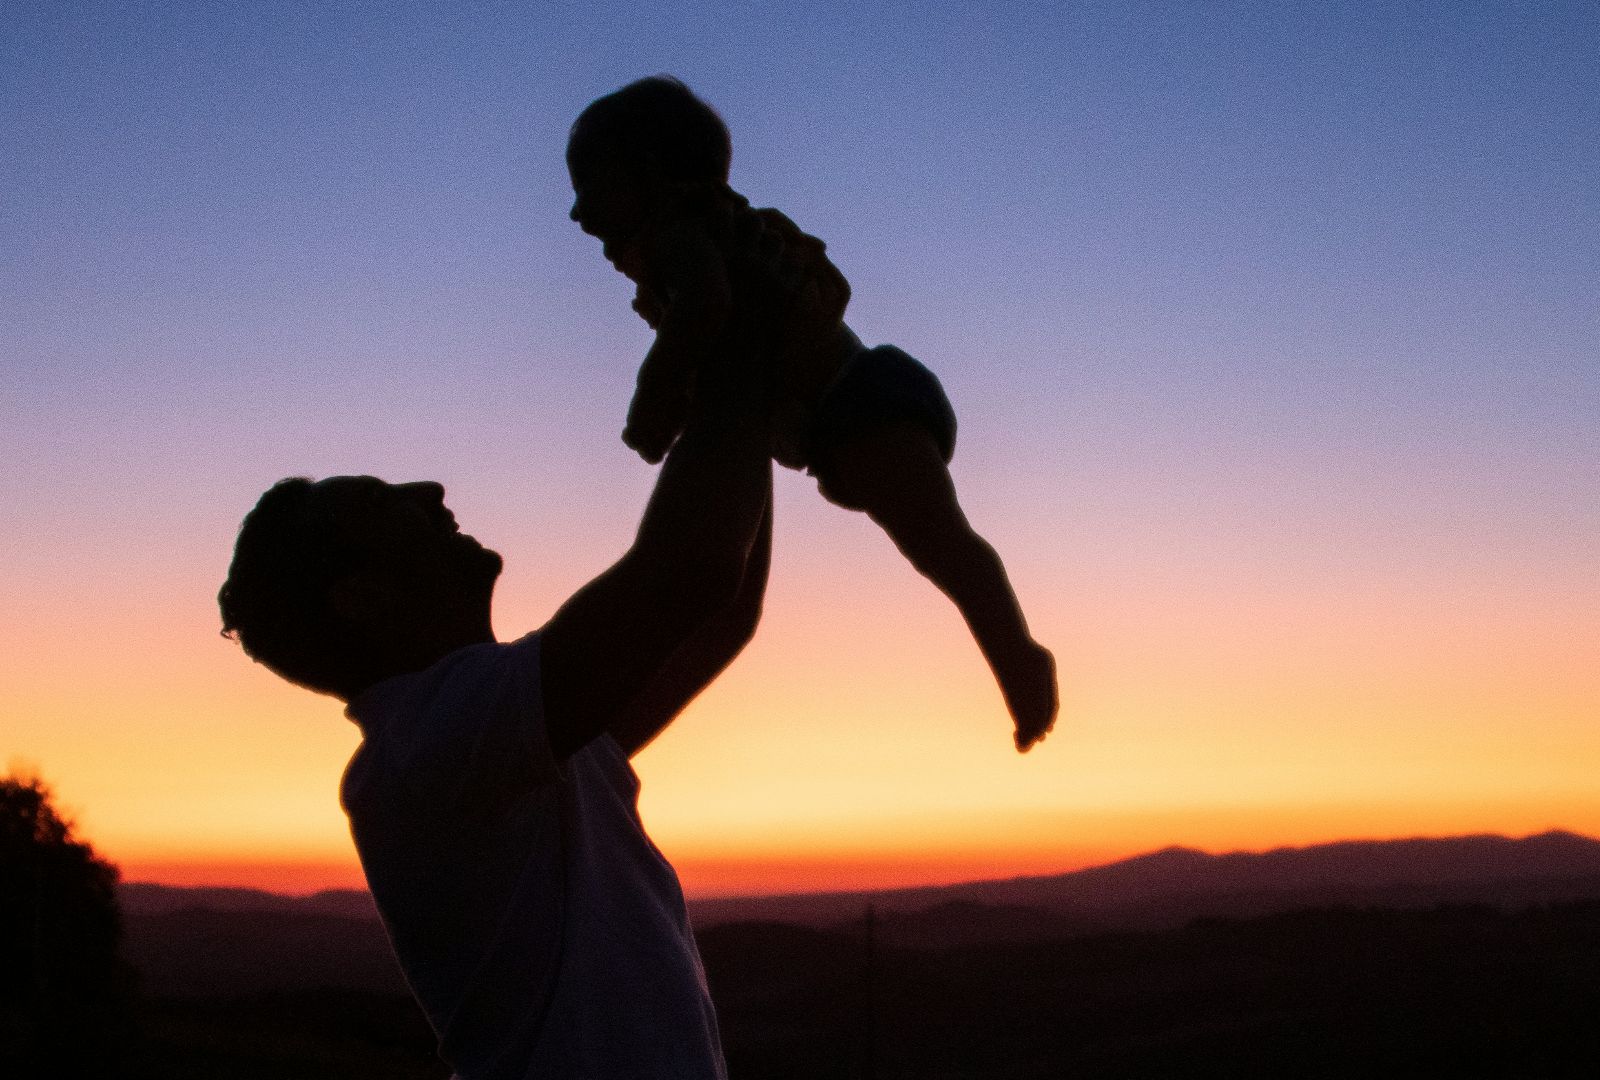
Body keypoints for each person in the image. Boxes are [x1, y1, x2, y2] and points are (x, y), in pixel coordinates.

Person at [215, 266, 785, 1076]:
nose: (430, 488)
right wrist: (748, 346)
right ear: (364, 596)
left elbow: (714, 612)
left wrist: (745, 407)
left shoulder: (510, 740)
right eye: (386, 503)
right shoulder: (430, 745)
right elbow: (688, 573)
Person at [566, 75, 1059, 752]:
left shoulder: (682, 235)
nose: (576, 213)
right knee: (923, 548)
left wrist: (654, 395)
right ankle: (1014, 651)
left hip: (858, 402)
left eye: (589, 186)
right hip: (832, 415)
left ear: (647, 174)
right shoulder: (705, 234)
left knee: (941, 545)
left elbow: (704, 310)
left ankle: (1018, 654)